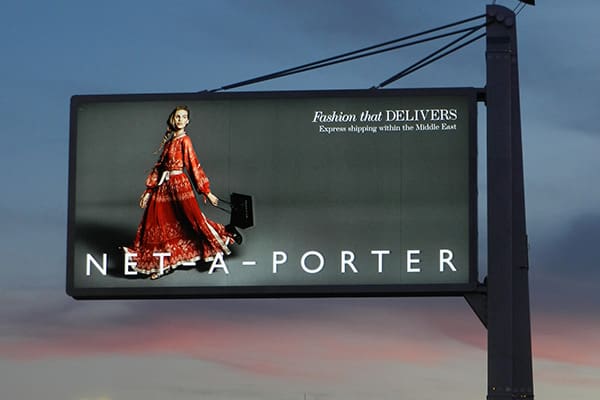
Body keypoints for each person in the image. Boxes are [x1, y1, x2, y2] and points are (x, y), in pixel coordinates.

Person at [123, 105, 240, 280]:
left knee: (194, 220)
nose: (180, 119)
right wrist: (148, 191)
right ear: (173, 119)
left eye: (183, 117)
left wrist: (206, 192)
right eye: (177, 116)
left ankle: (227, 232)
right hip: (164, 187)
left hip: (179, 186)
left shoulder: (186, 141)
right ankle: (163, 263)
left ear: (187, 121)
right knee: (156, 224)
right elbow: (159, 167)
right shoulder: (170, 142)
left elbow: (193, 166)